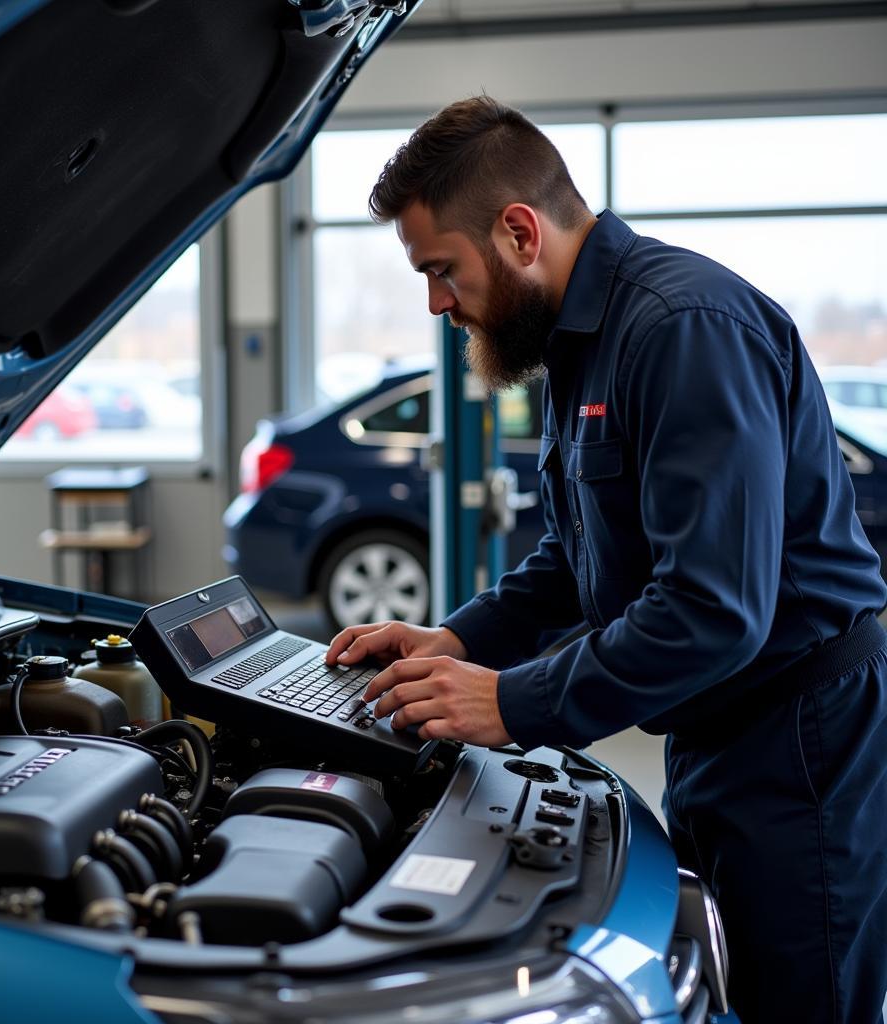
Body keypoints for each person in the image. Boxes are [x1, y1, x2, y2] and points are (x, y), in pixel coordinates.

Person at [324, 96, 887, 1023]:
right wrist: (456, 642)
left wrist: (513, 703)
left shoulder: (681, 329)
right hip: (721, 731)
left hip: (800, 748)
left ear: (516, 231)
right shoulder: (585, 340)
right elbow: (576, 555)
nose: (435, 302)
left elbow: (711, 610)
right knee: (725, 992)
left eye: (440, 269)